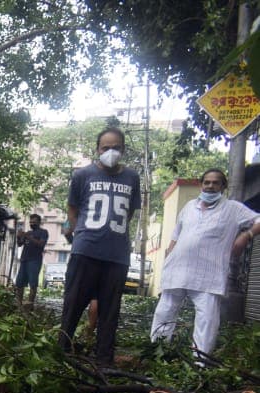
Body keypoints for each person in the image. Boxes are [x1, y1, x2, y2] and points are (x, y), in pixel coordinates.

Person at [150, 168, 260, 360]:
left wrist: (246, 235)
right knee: (164, 311)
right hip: (177, 270)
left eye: (215, 182)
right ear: (201, 185)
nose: (210, 186)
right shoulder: (189, 206)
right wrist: (169, 257)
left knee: (207, 319)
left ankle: (200, 362)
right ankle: (157, 353)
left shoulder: (233, 208)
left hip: (208, 274)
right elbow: (176, 236)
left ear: (223, 186)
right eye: (206, 182)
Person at [59, 127, 141, 365]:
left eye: (116, 147)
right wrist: (82, 236)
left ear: (123, 149)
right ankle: (60, 354)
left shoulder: (132, 178)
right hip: (85, 251)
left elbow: (130, 213)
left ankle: (104, 363)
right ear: (98, 149)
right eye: (106, 147)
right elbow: (72, 210)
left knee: (109, 312)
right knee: (72, 306)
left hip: (117, 256)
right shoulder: (82, 175)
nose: (111, 151)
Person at [15, 214, 48, 306]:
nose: (31, 223)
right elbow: (20, 244)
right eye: (30, 222)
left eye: (34, 222)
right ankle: (19, 304)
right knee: (19, 283)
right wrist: (18, 236)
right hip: (24, 259)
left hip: (35, 260)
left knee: (33, 283)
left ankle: (30, 304)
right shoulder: (28, 232)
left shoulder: (43, 232)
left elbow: (41, 244)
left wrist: (28, 237)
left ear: (39, 222)